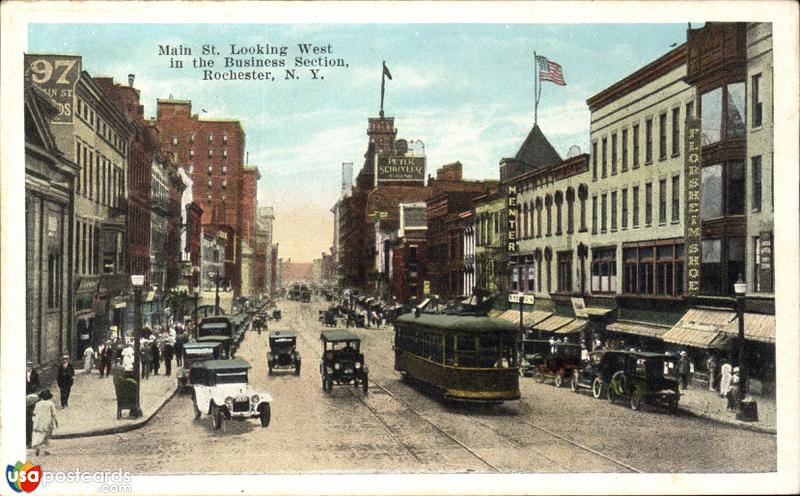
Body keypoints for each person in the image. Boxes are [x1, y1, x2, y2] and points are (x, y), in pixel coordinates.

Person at [31, 389, 58, 456]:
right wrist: (56, 421)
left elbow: (35, 412)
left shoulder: (37, 404)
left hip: (38, 420)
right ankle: (45, 450)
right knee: (47, 435)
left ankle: (37, 447)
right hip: (47, 421)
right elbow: (54, 413)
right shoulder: (50, 403)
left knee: (39, 434)